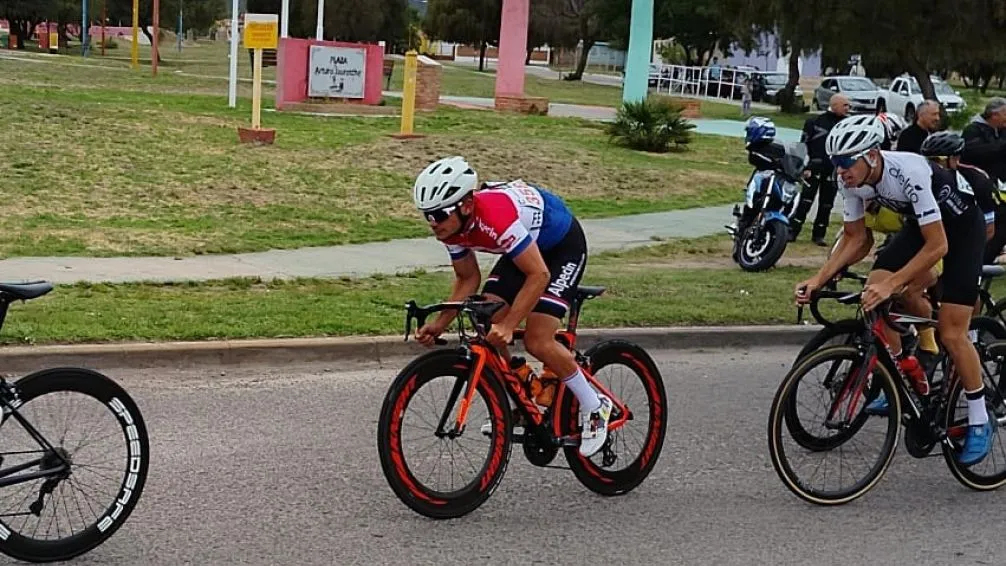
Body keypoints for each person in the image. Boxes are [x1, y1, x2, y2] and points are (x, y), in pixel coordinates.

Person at [794, 115, 994, 466]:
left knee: (951, 331)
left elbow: (938, 247)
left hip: (961, 232)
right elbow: (857, 238)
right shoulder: (852, 181)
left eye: (845, 162)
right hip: (923, 226)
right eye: (836, 164)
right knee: (874, 292)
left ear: (871, 155)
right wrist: (819, 278)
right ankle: (903, 368)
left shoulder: (910, 171)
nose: (840, 171)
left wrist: (893, 282)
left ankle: (980, 419)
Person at [410, 156, 612, 457]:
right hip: (526, 247)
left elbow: (539, 274)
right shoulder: (451, 228)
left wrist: (508, 325)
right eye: (426, 215)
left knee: (536, 338)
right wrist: (440, 324)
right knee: (486, 317)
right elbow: (467, 278)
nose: (432, 223)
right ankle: (523, 399)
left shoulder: (495, 217)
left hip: (561, 248)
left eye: (438, 215)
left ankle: (595, 405)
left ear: (465, 205)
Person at [790, 93, 850, 245]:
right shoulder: (815, 122)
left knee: (826, 204)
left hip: (833, 170)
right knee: (805, 200)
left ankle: (819, 234)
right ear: (834, 105)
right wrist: (804, 167)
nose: (848, 108)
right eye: (845, 105)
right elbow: (803, 145)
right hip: (813, 168)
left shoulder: (847, 125)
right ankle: (792, 230)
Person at [962, 98, 1006, 262]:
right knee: (992, 225)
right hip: (980, 189)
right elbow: (975, 153)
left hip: (1000, 188)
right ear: (994, 115)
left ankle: (985, 259)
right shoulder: (973, 130)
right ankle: (979, 260)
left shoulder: (1000, 131)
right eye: (1005, 114)